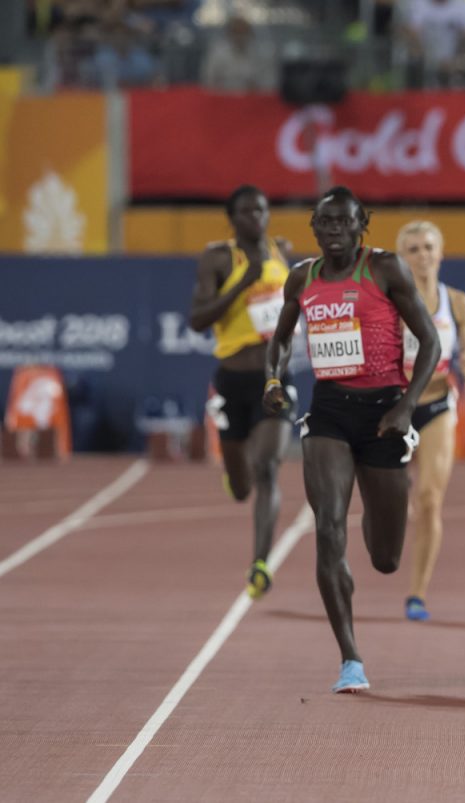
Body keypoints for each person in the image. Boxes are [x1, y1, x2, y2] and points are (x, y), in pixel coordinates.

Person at [263, 186, 440, 693]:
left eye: (344, 222)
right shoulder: (302, 277)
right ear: (314, 229)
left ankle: (371, 527)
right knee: (328, 527)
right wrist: (273, 381)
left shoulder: (385, 270)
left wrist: (407, 405)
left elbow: (430, 339)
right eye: (325, 223)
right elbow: (279, 339)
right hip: (330, 412)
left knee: (386, 558)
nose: (334, 230)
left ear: (362, 225)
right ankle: (350, 658)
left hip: (385, 412)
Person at [189, 184, 294, 601]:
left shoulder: (281, 251)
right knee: (242, 482)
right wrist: (242, 284)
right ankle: (234, 480)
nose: (257, 218)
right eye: (248, 212)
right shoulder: (218, 258)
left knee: (267, 467)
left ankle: (260, 563)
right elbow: (197, 319)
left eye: (263, 210)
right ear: (233, 219)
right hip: (232, 381)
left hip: (274, 379)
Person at [396, 220, 465, 621]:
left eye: (429, 247)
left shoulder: (458, 302)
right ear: (401, 258)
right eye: (413, 249)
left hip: (437, 408)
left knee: (429, 501)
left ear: (441, 253)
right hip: (393, 410)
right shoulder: (388, 303)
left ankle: (417, 593)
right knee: (394, 503)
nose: (422, 255)